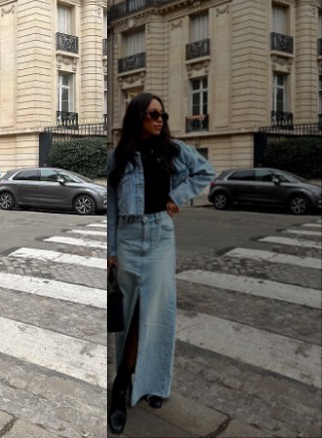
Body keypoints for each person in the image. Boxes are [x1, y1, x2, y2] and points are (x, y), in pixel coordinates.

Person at [106, 93, 214, 434]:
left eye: (163, 115)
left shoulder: (173, 151)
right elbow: (110, 204)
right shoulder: (119, 157)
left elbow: (204, 172)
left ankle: (152, 384)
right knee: (128, 315)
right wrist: (110, 249)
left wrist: (175, 197)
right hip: (126, 235)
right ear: (137, 116)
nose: (160, 120)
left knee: (158, 311)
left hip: (160, 236)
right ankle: (122, 383)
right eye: (153, 114)